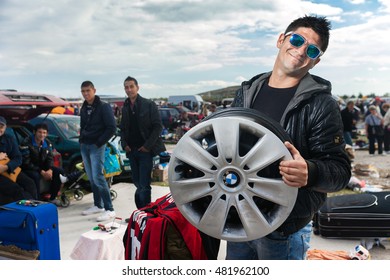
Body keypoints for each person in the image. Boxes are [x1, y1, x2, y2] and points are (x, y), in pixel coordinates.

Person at [227, 15, 351, 260]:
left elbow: (340, 171)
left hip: (284, 228)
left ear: (315, 61)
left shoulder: (320, 104)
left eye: (312, 50)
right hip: (240, 218)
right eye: (297, 40)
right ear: (281, 40)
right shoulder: (248, 91)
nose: (301, 50)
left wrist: (311, 173)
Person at [120, 76, 165, 209]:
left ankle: (146, 214)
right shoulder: (125, 106)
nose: (129, 90)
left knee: (144, 185)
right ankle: (141, 213)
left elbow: (158, 127)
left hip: (145, 150)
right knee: (137, 184)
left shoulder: (148, 104)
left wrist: (147, 146)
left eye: (131, 86)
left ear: (137, 88)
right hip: (131, 150)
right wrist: (124, 144)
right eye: (126, 87)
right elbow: (122, 128)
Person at [79, 81, 117, 222]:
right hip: (85, 145)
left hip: (96, 146)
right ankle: (98, 205)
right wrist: (81, 140)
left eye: (88, 90)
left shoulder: (103, 106)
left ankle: (109, 209)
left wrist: (99, 142)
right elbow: (83, 125)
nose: (85, 93)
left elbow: (112, 128)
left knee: (98, 177)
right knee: (91, 177)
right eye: (83, 91)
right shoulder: (84, 106)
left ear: (94, 90)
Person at [20, 123, 65, 206]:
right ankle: (38, 200)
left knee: (59, 171)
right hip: (29, 168)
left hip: (42, 167)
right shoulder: (26, 142)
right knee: (36, 176)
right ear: (34, 132)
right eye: (40, 132)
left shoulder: (47, 142)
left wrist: (50, 170)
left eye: (44, 133)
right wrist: (41, 171)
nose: (42, 135)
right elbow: (26, 162)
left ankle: (52, 198)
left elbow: (50, 158)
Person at [0, 116, 36, 205]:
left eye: (1, 126)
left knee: (30, 184)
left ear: (5, 128)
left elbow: (18, 158)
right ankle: (24, 210)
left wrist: (7, 167)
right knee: (15, 189)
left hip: (9, 169)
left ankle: (36, 208)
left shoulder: (9, 139)